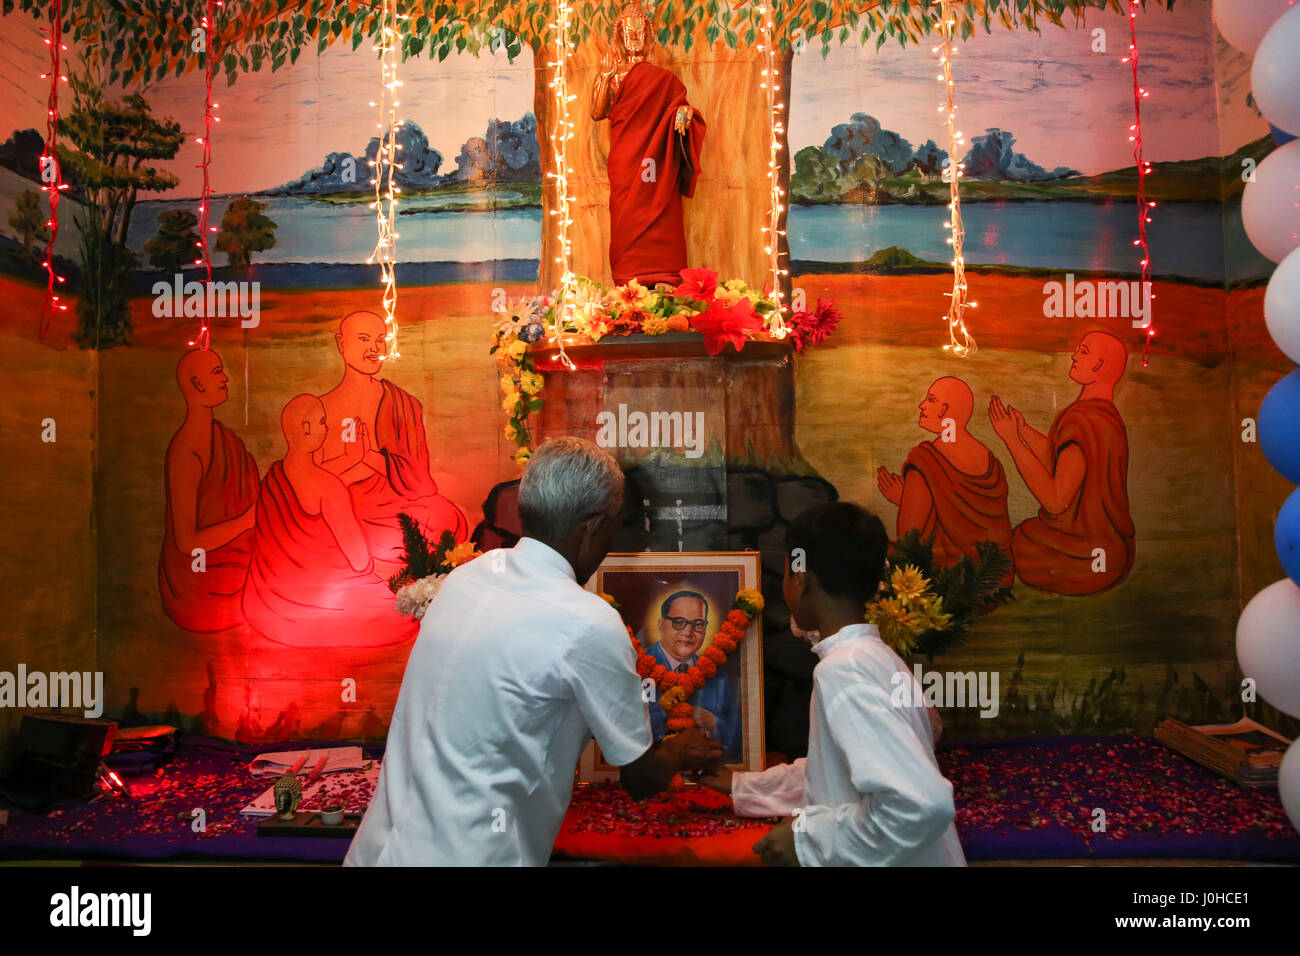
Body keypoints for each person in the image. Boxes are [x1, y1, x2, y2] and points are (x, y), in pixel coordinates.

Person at [344, 436, 721, 866]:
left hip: (379, 850)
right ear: (594, 527)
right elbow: (639, 776)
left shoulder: (466, 579)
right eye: (613, 532)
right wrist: (680, 749)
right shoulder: (588, 623)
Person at [698, 502, 966, 867]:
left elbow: (919, 804)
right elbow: (838, 771)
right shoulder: (875, 657)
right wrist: (742, 787)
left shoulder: (844, 670)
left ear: (800, 579)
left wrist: (809, 840)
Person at [241, 395, 417, 648]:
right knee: (405, 605)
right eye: (322, 422)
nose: (327, 428)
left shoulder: (273, 477)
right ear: (305, 429)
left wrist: (354, 457)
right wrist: (391, 570)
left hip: (264, 602)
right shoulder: (329, 488)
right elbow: (359, 562)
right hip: (310, 606)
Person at [317, 311, 467, 578]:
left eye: (380, 340)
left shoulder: (402, 402)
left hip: (397, 501)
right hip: (346, 507)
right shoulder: (322, 408)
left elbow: (417, 478)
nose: (374, 350)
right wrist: (352, 462)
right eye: (364, 340)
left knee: (448, 518)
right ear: (341, 344)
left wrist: (368, 457)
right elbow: (317, 478)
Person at [989, 331, 1134, 595]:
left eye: (1084, 352)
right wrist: (1023, 431)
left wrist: (1011, 440)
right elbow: (1064, 463)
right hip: (1113, 551)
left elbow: (1056, 501)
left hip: (1081, 553)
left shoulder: (1083, 421)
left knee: (1018, 541)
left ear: (1099, 366)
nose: (1074, 356)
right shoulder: (1106, 418)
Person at [590, 1, 706, 286]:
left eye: (639, 33)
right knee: (626, 219)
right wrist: (604, 79)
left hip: (657, 163)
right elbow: (597, 112)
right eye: (628, 34)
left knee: (662, 211)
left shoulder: (663, 79)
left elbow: (678, 109)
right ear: (619, 37)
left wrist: (683, 112)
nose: (633, 39)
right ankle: (628, 280)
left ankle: (666, 276)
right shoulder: (613, 75)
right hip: (626, 161)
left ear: (648, 37)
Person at [877, 376, 1014, 586]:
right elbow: (966, 524)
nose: (921, 405)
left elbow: (909, 542)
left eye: (930, 400)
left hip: (952, 583)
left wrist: (906, 501)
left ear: (944, 411)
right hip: (996, 580)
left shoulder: (926, 461)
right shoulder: (990, 460)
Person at [159, 348, 259, 632]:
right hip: (197, 584)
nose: (226, 379)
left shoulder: (225, 439)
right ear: (196, 384)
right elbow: (188, 543)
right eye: (217, 372)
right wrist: (245, 522)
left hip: (236, 557)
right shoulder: (185, 452)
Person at [645, 590, 742, 758]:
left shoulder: (717, 676)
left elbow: (740, 739)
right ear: (661, 625)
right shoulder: (640, 666)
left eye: (698, 624)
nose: (688, 632)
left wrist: (712, 722)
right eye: (679, 622)